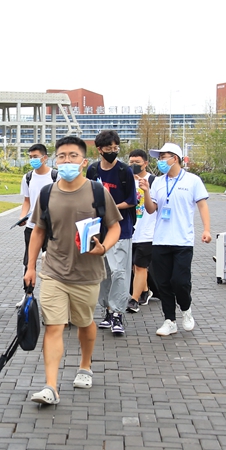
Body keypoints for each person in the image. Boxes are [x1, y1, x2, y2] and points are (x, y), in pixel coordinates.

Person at [22, 135, 120, 405]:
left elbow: (115, 226)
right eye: (62, 156)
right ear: (55, 160)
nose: (67, 160)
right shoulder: (47, 193)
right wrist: (30, 267)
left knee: (84, 322)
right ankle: (50, 387)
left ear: (83, 161)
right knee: (53, 325)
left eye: (73, 156)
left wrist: (105, 247)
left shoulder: (98, 192)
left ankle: (85, 365)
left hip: (87, 273)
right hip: (53, 270)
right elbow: (38, 231)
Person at [140, 142, 211, 337]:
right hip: (160, 240)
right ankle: (169, 320)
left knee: (180, 281)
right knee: (163, 283)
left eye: (164, 157)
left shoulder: (193, 180)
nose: (161, 161)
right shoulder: (158, 182)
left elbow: (202, 205)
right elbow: (150, 209)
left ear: (175, 158)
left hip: (183, 241)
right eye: (160, 157)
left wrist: (206, 229)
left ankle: (186, 309)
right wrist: (146, 191)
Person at [86, 130, 137, 336]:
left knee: (119, 272)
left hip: (120, 229)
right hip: (99, 230)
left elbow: (132, 200)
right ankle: (107, 310)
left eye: (116, 148)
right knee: (104, 273)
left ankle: (118, 313)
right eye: (109, 148)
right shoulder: (93, 170)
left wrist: (111, 208)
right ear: (100, 149)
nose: (113, 152)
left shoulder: (125, 171)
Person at [127, 149, 156, 312]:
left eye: (137, 162)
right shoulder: (127, 180)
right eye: (131, 162)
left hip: (147, 232)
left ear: (145, 163)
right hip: (131, 230)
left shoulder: (154, 181)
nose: (134, 165)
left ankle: (134, 299)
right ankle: (145, 291)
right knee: (135, 266)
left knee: (140, 266)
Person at [19, 143, 56, 270]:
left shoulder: (55, 177)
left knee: (52, 261)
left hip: (51, 227)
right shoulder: (27, 178)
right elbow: (27, 201)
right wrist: (22, 217)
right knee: (29, 262)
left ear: (44, 158)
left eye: (35, 156)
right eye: (30, 157)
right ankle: (28, 290)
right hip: (31, 226)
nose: (32, 160)